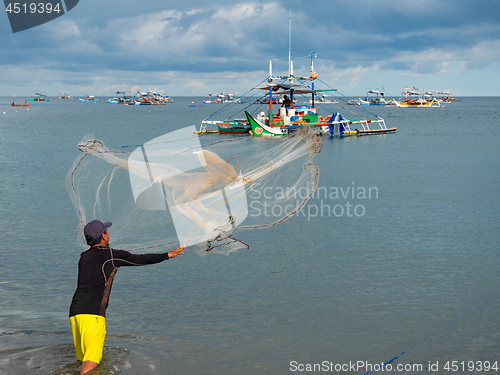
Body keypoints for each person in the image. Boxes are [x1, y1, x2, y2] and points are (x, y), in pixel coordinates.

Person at [69, 220, 185, 374]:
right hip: (93, 315)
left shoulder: (84, 257)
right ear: (103, 236)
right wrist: (167, 255)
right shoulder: (111, 255)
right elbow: (139, 259)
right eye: (106, 231)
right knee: (92, 361)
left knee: (83, 359)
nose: (108, 233)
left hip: (75, 313)